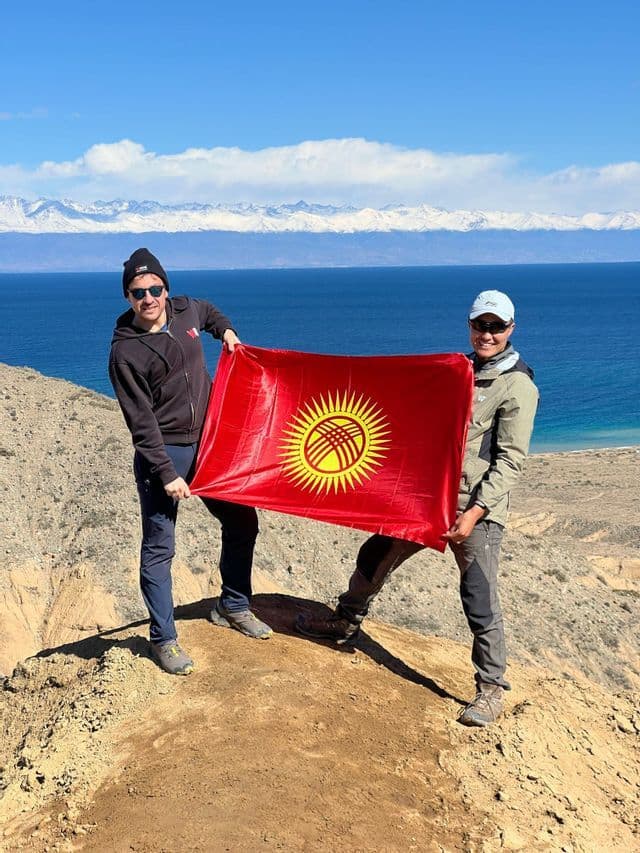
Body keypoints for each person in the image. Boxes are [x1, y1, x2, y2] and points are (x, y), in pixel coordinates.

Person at [296, 290, 538, 726]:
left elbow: (510, 460)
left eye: (496, 326)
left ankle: (491, 688)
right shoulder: (455, 370)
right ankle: (345, 622)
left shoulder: (516, 384)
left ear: (510, 330)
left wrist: (475, 512)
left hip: (472, 507)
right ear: (469, 325)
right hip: (426, 498)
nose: (487, 334)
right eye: (480, 325)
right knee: (375, 555)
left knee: (478, 595)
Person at [109, 248, 272, 675]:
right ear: (127, 297)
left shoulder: (185, 310)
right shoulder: (125, 353)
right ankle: (163, 639)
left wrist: (228, 331)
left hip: (210, 444)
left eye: (155, 288)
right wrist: (166, 473)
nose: (149, 298)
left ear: (166, 288)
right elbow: (140, 423)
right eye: (138, 292)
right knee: (160, 547)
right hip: (165, 453)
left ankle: (233, 605)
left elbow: (210, 311)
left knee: (242, 522)